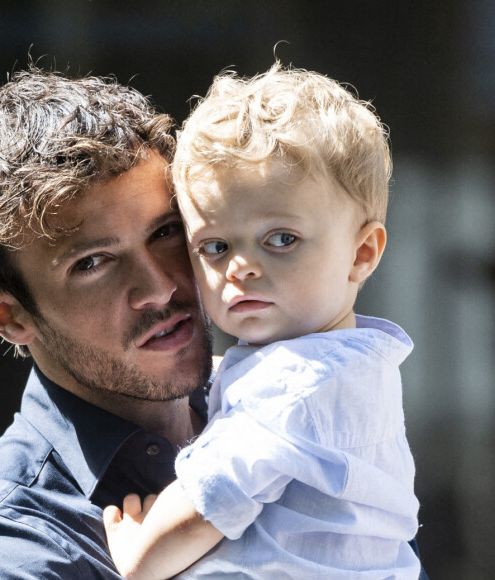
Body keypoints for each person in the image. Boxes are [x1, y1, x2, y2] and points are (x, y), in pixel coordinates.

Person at [103, 64, 423, 579]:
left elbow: (209, 499)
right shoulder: (345, 365)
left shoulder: (295, 387)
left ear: (362, 253)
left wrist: (138, 553)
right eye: (215, 246)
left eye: (281, 240)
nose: (241, 266)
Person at [0, 67, 213, 579]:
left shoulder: (284, 412)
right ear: (6, 315)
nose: (159, 288)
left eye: (166, 231)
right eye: (93, 263)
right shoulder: (0, 546)